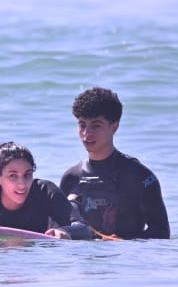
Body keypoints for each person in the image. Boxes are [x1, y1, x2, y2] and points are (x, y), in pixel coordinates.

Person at [59, 87, 170, 239]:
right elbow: (58, 227)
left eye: (96, 125)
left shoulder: (140, 176)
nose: (86, 133)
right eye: (82, 125)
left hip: (124, 260)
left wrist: (127, 243)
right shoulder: (71, 178)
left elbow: (162, 231)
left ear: (115, 127)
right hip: (82, 261)